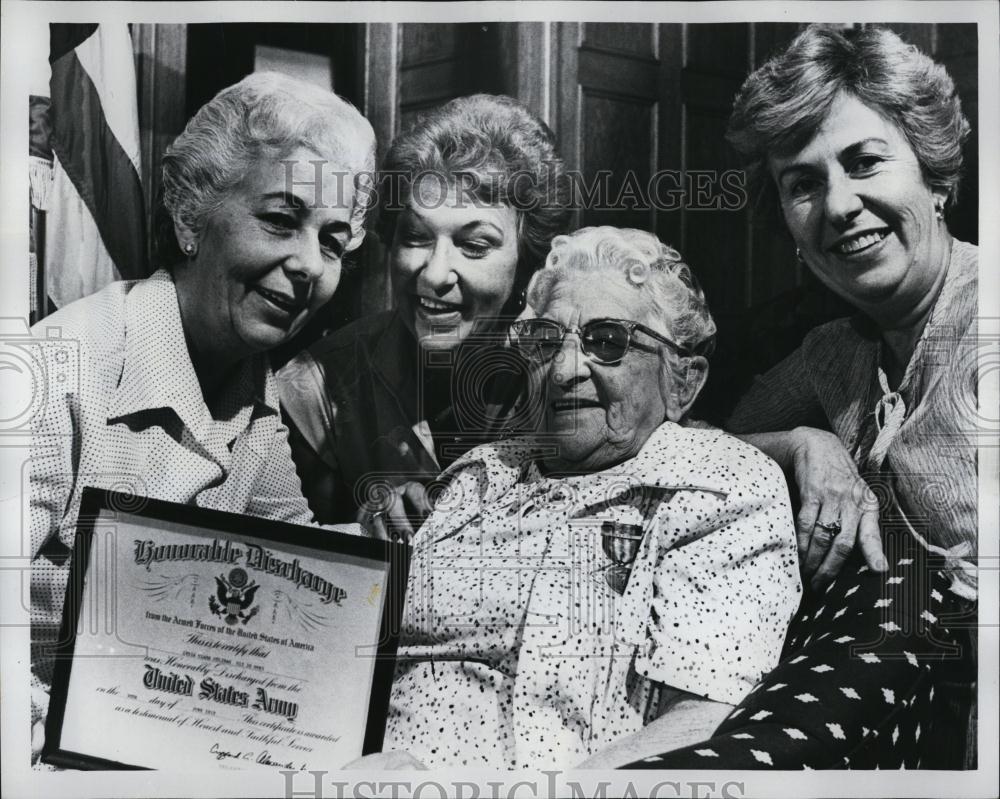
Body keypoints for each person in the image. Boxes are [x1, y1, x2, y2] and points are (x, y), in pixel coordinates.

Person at [28, 71, 376, 760]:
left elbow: (295, 572)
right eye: (281, 220)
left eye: (333, 241)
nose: (309, 264)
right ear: (190, 216)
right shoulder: (55, 370)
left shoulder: (254, 384)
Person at [360, 227, 801, 770]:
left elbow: (698, 725)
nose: (566, 370)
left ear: (682, 380)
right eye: (546, 342)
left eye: (607, 342)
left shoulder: (716, 487)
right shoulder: (480, 474)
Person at [682, 23, 975, 768]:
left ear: (936, 176)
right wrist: (800, 443)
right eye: (803, 184)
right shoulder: (831, 352)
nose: (839, 205)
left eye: (865, 162)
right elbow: (689, 444)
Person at [277, 94, 571, 537]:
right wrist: (366, 536)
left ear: (529, 262)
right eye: (415, 237)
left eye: (474, 246)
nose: (434, 274)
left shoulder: (569, 372)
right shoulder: (315, 388)